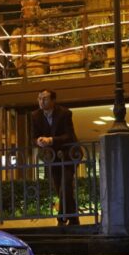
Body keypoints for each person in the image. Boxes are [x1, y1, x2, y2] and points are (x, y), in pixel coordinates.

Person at [30, 89, 79, 225]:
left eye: (45, 98)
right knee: (59, 188)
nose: (41, 101)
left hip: (68, 155)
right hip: (51, 157)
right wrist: (38, 141)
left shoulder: (64, 113)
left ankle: (61, 218)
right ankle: (74, 219)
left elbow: (69, 135)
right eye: (39, 98)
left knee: (65, 186)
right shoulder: (35, 115)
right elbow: (33, 138)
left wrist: (51, 140)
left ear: (53, 100)